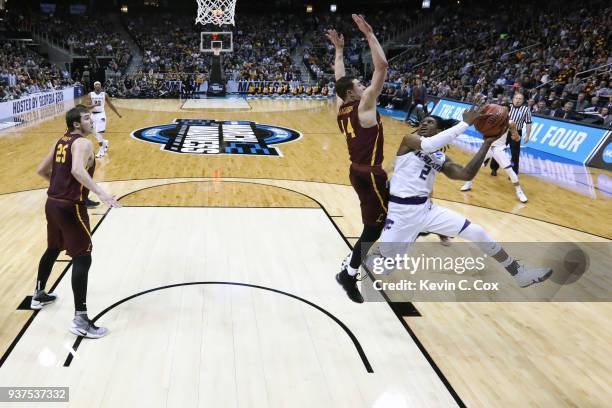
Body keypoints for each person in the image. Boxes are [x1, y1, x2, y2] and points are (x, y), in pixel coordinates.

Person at [368, 112, 552, 287]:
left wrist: (487, 144)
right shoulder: (409, 141)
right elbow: (428, 145)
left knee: (477, 232)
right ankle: (356, 266)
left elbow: (465, 174)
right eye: (423, 121)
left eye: (430, 122)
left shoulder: (440, 158)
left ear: (439, 130)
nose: (424, 123)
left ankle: (519, 273)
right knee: (383, 266)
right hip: (401, 213)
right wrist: (466, 123)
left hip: (426, 210)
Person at [33, 105, 121, 338]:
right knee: (83, 256)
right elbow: (77, 171)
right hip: (71, 206)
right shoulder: (83, 143)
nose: (91, 121)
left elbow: (41, 169)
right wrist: (102, 194)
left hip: (52, 202)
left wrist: (58, 185)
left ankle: (39, 294)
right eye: (86, 118)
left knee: (53, 248)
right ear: (76, 124)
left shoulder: (61, 140)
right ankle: (80, 319)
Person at [326, 15, 389, 303]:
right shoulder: (364, 107)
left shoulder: (342, 106)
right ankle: (349, 274)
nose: (365, 86)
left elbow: (339, 80)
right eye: (360, 85)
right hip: (371, 174)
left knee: (388, 214)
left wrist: (339, 51)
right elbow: (382, 66)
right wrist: (369, 33)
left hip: (356, 172)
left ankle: (414, 222)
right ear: (354, 93)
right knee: (374, 228)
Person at [490, 93, 532, 175]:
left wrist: (527, 135)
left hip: (516, 133)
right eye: (516, 98)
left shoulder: (526, 110)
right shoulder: (507, 107)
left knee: (515, 153)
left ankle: (514, 172)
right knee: (498, 149)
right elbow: (498, 116)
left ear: (523, 101)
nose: (518, 100)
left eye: (520, 99)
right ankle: (494, 168)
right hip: (504, 131)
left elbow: (528, 123)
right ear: (513, 99)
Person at [86, 81, 122, 159]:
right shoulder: (90, 94)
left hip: (101, 115)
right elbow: (88, 106)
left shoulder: (104, 94)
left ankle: (101, 151)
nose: (97, 85)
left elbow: (110, 105)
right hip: (93, 115)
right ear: (94, 86)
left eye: (99, 84)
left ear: (101, 86)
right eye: (96, 84)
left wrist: (117, 113)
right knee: (93, 132)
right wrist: (95, 105)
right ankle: (105, 142)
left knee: (99, 132)